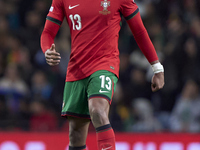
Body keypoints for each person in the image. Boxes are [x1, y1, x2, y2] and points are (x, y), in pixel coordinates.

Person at [40, 0, 165, 149]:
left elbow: (139, 31)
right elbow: (48, 32)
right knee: (75, 134)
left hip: (104, 63)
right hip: (76, 69)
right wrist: (47, 50)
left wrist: (157, 67)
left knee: (98, 109)